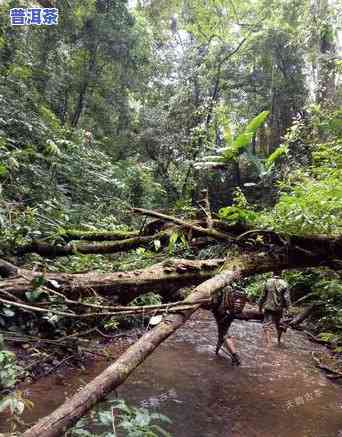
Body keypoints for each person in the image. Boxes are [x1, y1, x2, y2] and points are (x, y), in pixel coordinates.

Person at [212, 284, 249, 366]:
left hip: (221, 314)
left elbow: (214, 302)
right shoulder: (232, 290)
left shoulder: (219, 289)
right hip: (231, 313)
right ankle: (217, 352)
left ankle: (235, 356)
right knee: (222, 333)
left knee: (224, 334)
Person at [258, 272, 290, 346]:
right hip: (279, 308)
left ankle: (269, 343)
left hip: (268, 307)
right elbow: (287, 298)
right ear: (281, 274)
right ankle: (278, 341)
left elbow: (263, 296)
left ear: (273, 273)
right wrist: (288, 309)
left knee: (267, 325)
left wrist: (260, 306)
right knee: (279, 324)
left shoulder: (267, 282)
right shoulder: (284, 283)